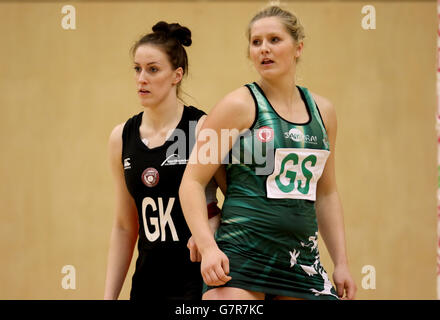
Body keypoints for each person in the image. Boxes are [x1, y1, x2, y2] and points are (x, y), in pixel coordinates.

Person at [179, 5, 357, 300]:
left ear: (298, 48)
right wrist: (208, 246)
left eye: (275, 40)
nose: (264, 49)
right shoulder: (237, 106)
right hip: (241, 259)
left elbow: (326, 193)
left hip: (301, 262)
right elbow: (192, 182)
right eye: (256, 42)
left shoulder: (324, 112)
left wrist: (341, 263)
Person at [104, 21, 225, 300]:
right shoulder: (121, 137)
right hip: (148, 280)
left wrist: (212, 229)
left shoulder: (202, 128)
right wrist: (109, 296)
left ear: (177, 75)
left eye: (153, 69)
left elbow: (238, 201)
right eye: (137, 68)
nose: (141, 78)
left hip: (199, 278)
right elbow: (124, 226)